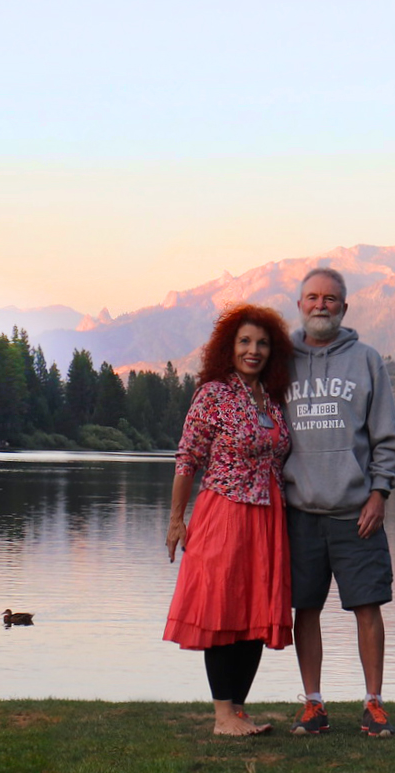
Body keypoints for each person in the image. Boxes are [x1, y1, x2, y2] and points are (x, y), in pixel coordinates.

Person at [283, 267, 395, 738]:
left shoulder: (367, 360)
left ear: (344, 308)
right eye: (312, 297)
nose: (320, 305)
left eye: (330, 299)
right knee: (304, 610)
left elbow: (387, 439)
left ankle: (373, 703)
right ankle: (313, 704)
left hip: (357, 513)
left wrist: (380, 493)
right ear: (300, 305)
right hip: (300, 513)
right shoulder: (283, 363)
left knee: (368, 607)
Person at [164, 303, 294, 736]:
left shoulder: (273, 399)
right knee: (222, 611)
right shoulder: (214, 394)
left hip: (268, 517)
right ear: (229, 347)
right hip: (224, 510)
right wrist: (176, 519)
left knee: (254, 613)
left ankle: (238, 710)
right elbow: (188, 458)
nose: (253, 350)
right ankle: (222, 715)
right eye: (244, 342)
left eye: (261, 343)